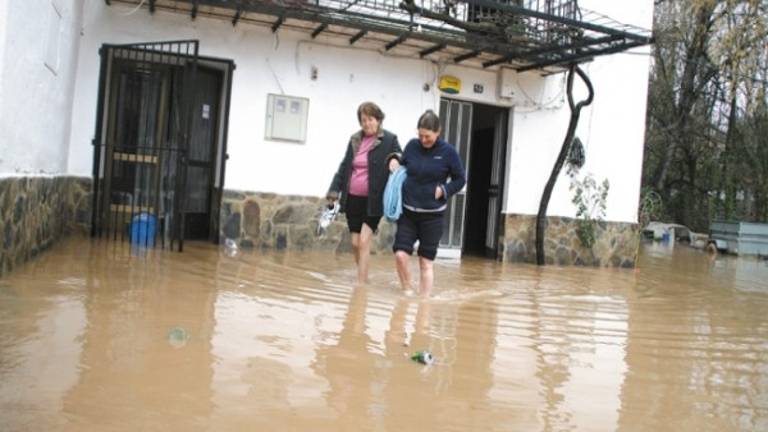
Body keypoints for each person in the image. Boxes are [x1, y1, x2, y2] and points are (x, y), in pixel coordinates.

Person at [390, 110, 466, 295]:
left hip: (432, 217)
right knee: (400, 255)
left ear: (438, 132)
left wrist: (445, 190)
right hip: (408, 213)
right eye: (420, 135)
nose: (423, 140)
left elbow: (460, 179)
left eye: (428, 136)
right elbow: (403, 162)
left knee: (425, 262)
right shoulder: (412, 146)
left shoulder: (448, 152)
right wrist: (393, 160)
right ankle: (408, 291)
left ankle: (423, 306)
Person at [327, 102, 402, 284]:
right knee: (354, 243)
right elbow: (345, 165)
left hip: (373, 200)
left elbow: (399, 155)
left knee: (364, 241)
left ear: (378, 119)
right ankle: (364, 276)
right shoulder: (355, 139)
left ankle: (360, 286)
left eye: (370, 119)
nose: (367, 123)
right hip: (353, 198)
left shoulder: (389, 139)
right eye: (363, 120)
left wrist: (394, 159)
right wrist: (334, 190)